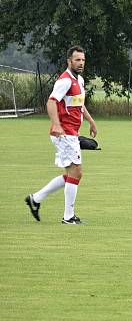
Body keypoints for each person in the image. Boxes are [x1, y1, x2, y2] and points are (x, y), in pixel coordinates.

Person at [25, 45, 97, 224]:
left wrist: (90, 120)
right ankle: (68, 217)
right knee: (77, 171)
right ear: (69, 61)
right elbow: (51, 102)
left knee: (72, 174)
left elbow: (79, 104)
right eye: (77, 60)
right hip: (63, 133)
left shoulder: (78, 80)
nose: (81, 63)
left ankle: (36, 199)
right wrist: (56, 125)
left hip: (72, 133)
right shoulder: (64, 81)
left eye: (83, 60)